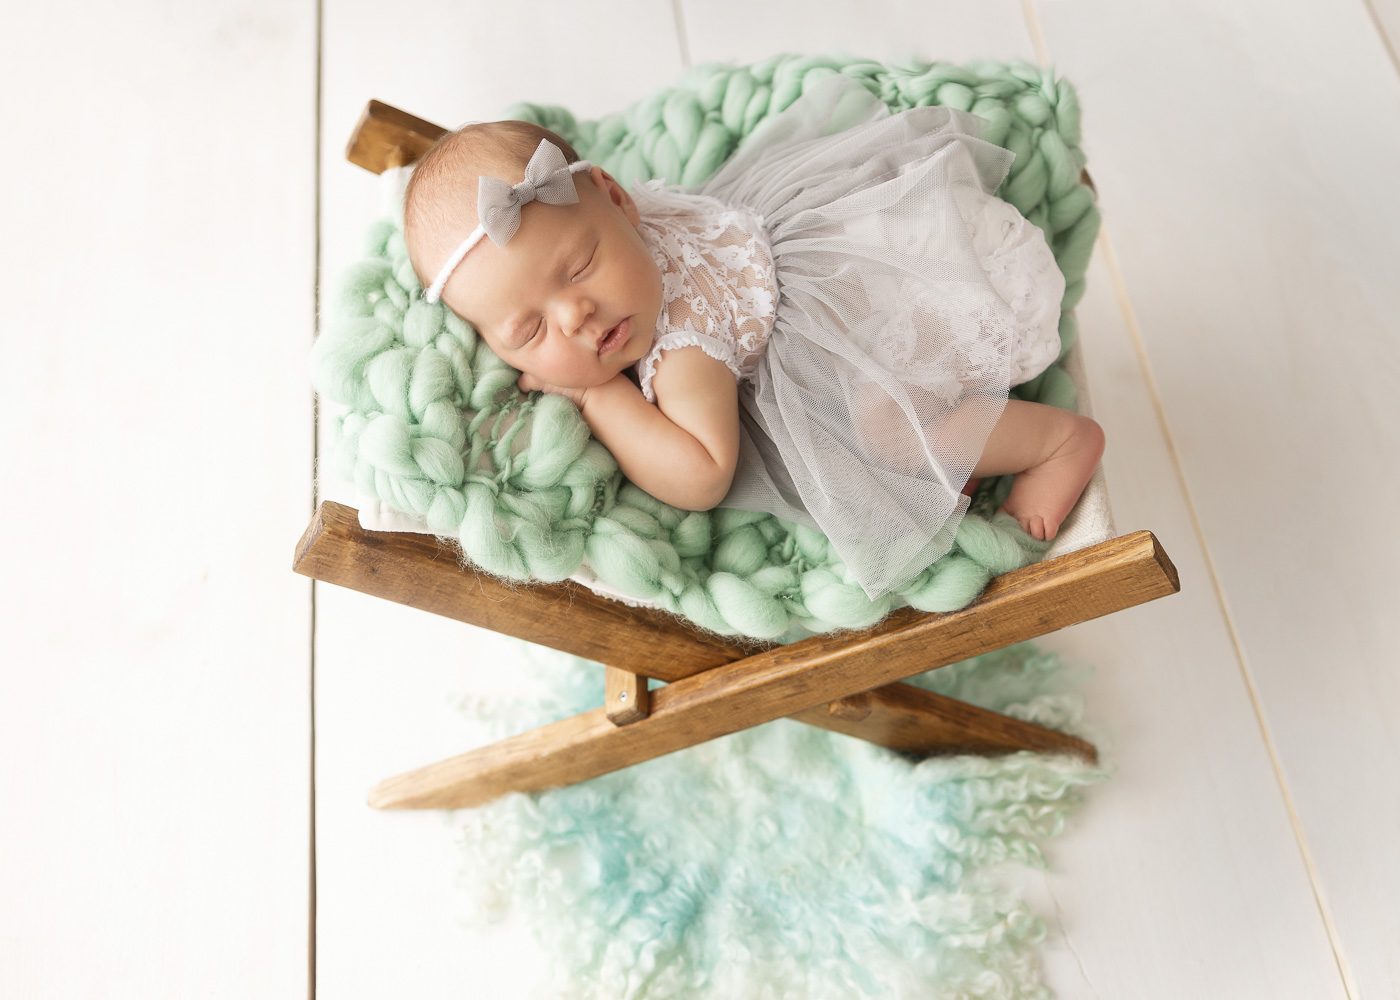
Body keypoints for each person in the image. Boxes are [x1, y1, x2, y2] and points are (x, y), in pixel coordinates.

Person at [402, 74, 1104, 599]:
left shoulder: (685, 352)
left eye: (581, 266)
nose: (576, 316)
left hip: (931, 313)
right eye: (530, 329)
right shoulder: (632, 217)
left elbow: (705, 473)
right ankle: (952, 449)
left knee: (882, 430)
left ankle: (1055, 442)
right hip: (903, 243)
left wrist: (598, 399)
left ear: (617, 199)